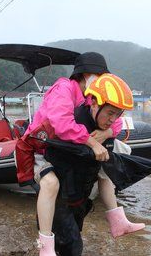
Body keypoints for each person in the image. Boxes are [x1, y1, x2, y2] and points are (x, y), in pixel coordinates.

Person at [15, 53, 144, 256]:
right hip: (38, 148)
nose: (102, 79)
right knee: (51, 184)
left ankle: (117, 219)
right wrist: (92, 141)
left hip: (67, 151)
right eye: (98, 75)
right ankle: (45, 246)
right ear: (84, 75)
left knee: (106, 165)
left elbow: (116, 120)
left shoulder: (91, 98)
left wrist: (107, 132)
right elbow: (62, 123)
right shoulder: (64, 88)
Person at [46, 73, 136, 255]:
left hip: (81, 199)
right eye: (110, 113)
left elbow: (115, 126)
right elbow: (59, 137)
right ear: (94, 103)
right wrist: (90, 144)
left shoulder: (103, 129)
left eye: (117, 114)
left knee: (71, 239)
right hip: (60, 200)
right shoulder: (74, 126)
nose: (113, 119)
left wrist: (108, 131)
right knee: (72, 246)